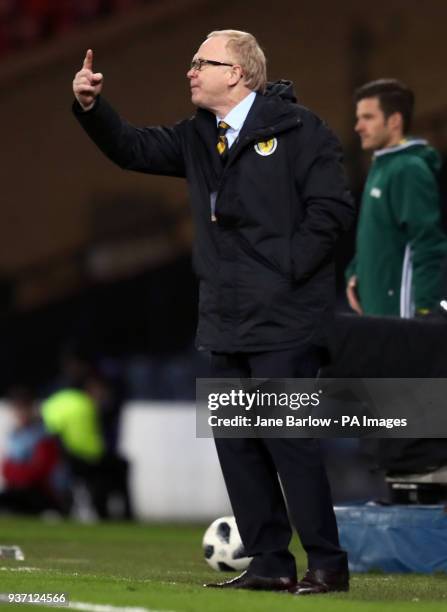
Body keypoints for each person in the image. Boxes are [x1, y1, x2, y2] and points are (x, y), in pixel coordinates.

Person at [72, 30, 355, 595]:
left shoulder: (301, 130)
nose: (191, 70)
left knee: (289, 442)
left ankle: (326, 562)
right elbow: (131, 148)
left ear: (240, 73)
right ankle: (271, 562)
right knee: (238, 446)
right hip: (224, 317)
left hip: (284, 318)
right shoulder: (200, 137)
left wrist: (287, 270)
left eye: (204, 62)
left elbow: (331, 209)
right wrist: (91, 107)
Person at [346, 78, 447, 317]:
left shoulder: (408, 169)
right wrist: (355, 273)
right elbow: (378, 235)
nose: (358, 127)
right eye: (359, 118)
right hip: (379, 310)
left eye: (368, 117)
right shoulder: (383, 165)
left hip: (402, 314)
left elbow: (428, 244)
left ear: (394, 121)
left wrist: (424, 308)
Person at [0, 387, 69, 516]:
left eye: (24, 408)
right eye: (17, 408)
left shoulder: (43, 435)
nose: (21, 413)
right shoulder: (14, 435)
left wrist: (19, 475)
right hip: (17, 490)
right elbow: (6, 467)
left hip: (41, 493)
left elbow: (41, 469)